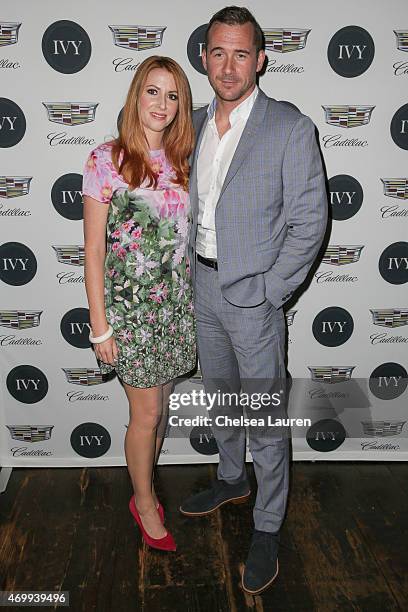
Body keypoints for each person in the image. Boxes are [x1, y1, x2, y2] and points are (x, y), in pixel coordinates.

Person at [179, 6, 328, 593]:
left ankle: (267, 525)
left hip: (254, 296)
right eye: (218, 52)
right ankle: (231, 477)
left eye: (242, 53)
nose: (229, 65)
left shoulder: (290, 126)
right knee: (219, 398)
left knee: (265, 417)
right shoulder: (190, 124)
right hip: (203, 288)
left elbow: (310, 223)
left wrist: (269, 292)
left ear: (261, 59)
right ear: (205, 57)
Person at [82, 55, 195, 552]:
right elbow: (93, 249)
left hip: (174, 306)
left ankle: (147, 480)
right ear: (136, 95)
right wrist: (100, 326)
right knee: (146, 415)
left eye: (173, 96)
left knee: (160, 407)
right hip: (129, 312)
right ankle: (144, 504)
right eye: (154, 91)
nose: (163, 104)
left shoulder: (185, 159)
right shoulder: (106, 159)